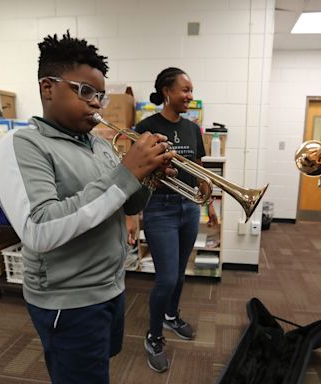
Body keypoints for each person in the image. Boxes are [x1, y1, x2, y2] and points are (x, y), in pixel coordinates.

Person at [0, 31, 175, 384]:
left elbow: (125, 204)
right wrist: (126, 173)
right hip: (68, 300)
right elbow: (39, 229)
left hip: (110, 286)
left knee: (96, 370)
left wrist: (148, 177)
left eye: (101, 96)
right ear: (48, 87)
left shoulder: (100, 146)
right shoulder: (23, 145)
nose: (97, 104)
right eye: (85, 91)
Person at [135, 67, 218, 373]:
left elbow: (197, 164)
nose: (189, 96)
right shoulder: (145, 126)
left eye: (191, 91)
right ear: (167, 92)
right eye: (184, 90)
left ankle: (171, 316)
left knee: (181, 272)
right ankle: (153, 336)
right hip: (160, 209)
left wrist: (205, 184)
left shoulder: (193, 128)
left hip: (188, 207)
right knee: (166, 278)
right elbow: (137, 171)